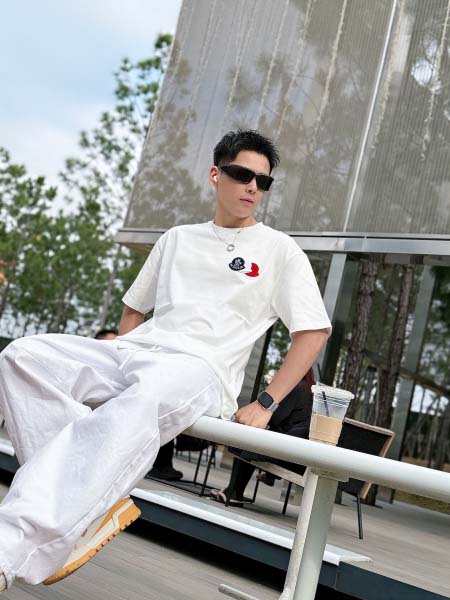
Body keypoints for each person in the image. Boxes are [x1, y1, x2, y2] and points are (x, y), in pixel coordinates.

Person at [0, 129, 331, 592]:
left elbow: (313, 332)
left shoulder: (279, 250)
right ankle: (92, 501)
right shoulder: (177, 238)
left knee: (140, 402)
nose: (253, 187)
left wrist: (266, 403)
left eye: (264, 181)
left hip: (200, 368)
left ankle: (9, 548)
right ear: (216, 175)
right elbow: (134, 309)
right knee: (23, 357)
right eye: (242, 175)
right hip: (138, 350)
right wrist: (124, 362)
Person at [210, 373, 314, 507]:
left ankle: (234, 492)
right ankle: (239, 489)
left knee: (247, 443)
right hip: (295, 450)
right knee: (253, 442)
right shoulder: (308, 389)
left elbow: (274, 418)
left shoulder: (295, 387)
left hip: (285, 450)